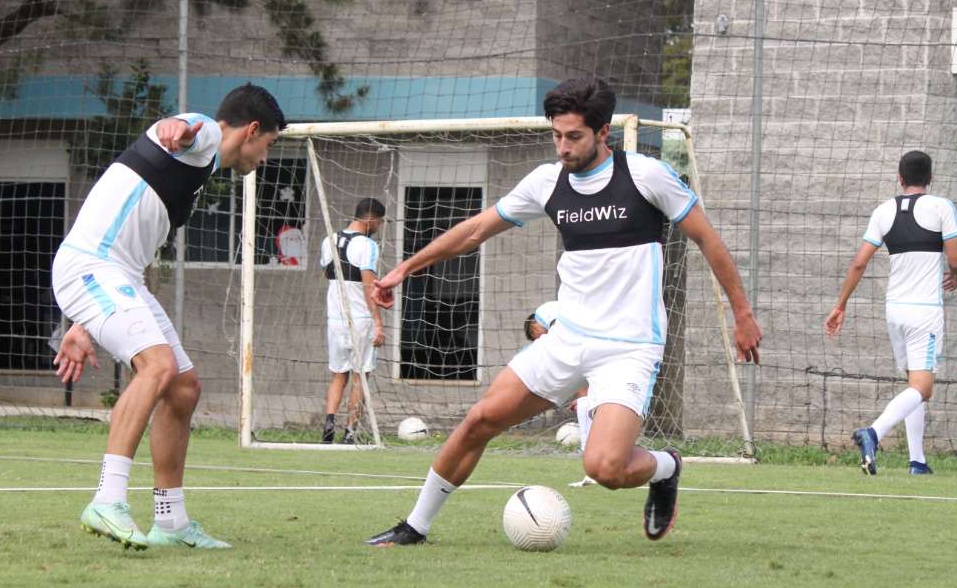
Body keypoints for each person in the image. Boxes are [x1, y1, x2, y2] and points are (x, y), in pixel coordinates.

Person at [365, 77, 761, 546]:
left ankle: (666, 466)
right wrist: (405, 268)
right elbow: (475, 231)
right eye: (557, 135)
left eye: (574, 136)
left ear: (602, 133)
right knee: (480, 420)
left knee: (605, 468)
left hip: (628, 348)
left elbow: (707, 239)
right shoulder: (546, 182)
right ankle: (415, 526)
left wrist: (742, 314)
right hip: (566, 339)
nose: (563, 147)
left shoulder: (646, 176)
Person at [50, 83, 285, 550]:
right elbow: (181, 130)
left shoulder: (200, 168)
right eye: (269, 145)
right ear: (253, 130)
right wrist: (177, 128)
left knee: (182, 386)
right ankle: (107, 499)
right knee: (156, 367)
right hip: (92, 268)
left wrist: (81, 323)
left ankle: (171, 522)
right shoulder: (202, 141)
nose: (265, 158)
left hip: (116, 275)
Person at [825, 150, 957, 476]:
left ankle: (918, 461)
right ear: (930, 179)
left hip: (894, 312)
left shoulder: (883, 211)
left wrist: (841, 305)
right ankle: (872, 432)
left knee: (913, 384)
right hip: (925, 312)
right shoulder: (942, 207)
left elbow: (859, 262)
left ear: (900, 179)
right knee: (923, 387)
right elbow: (955, 260)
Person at [320, 197, 387, 445]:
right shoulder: (366, 245)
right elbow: (369, 284)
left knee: (338, 374)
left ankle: (328, 425)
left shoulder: (329, 240)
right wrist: (378, 322)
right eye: (379, 223)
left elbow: (326, 274)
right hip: (360, 319)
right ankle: (350, 432)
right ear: (370, 219)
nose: (378, 227)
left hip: (335, 318)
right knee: (360, 376)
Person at [525, 300, 599, 488]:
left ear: (536, 323)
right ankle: (595, 466)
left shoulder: (556, 318)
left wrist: (584, 398)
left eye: (535, 334)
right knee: (584, 397)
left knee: (584, 396)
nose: (539, 340)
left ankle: (592, 469)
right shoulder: (567, 323)